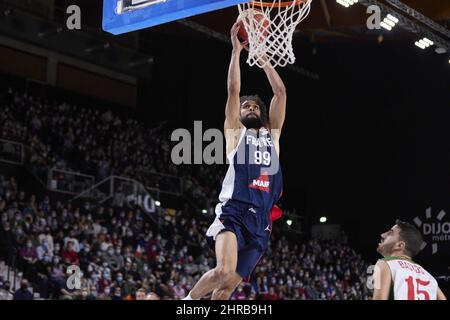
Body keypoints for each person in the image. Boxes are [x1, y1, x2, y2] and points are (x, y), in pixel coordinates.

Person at [183, 21, 285, 300]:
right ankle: (187, 302)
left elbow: (280, 93)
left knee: (227, 288)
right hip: (235, 211)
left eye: (255, 106)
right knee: (222, 272)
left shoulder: (272, 136)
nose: (250, 107)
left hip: (261, 222)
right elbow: (233, 89)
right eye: (246, 106)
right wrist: (236, 51)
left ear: (262, 114)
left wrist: (262, 57)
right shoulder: (235, 134)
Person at [372, 220, 447, 300]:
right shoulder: (429, 277)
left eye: (390, 233)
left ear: (400, 245)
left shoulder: (385, 264)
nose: (382, 235)